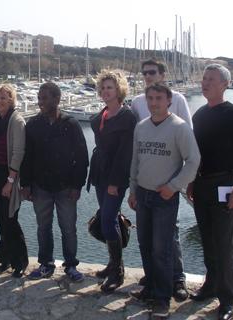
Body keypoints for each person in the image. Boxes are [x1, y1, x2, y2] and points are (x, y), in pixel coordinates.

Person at [127, 83, 200, 318]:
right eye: (150, 98)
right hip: (143, 194)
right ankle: (150, 287)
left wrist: (173, 187)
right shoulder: (141, 127)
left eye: (159, 98)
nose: (154, 103)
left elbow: (193, 161)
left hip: (164, 197)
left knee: (162, 249)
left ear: (169, 100)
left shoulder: (179, 127)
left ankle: (162, 298)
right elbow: (135, 162)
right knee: (145, 245)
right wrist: (133, 190)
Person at [187, 64, 233, 320]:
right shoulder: (200, 115)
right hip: (202, 185)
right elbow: (198, 155)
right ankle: (210, 285)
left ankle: (227, 300)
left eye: (211, 79)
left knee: (223, 245)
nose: (205, 83)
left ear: (224, 84)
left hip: (226, 184)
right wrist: (192, 181)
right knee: (208, 240)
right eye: (203, 78)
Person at [20, 82, 88, 282]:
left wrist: (77, 185)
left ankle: (71, 266)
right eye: (39, 98)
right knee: (43, 227)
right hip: (41, 187)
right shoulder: (32, 125)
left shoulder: (71, 124)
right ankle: (46, 264)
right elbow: (27, 157)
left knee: (68, 228)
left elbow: (82, 158)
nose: (40, 102)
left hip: (66, 188)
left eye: (44, 98)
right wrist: (26, 184)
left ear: (57, 99)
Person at [87, 71, 136, 292]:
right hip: (100, 174)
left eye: (110, 88)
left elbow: (125, 154)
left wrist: (116, 182)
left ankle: (118, 271)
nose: (106, 91)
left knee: (107, 220)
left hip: (115, 177)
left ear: (119, 90)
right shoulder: (101, 116)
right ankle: (113, 264)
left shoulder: (127, 117)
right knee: (110, 218)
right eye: (103, 88)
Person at [0, 84, 29, 278]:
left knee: (10, 219)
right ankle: (5, 258)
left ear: (11, 99)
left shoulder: (16, 121)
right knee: (0, 218)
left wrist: (10, 181)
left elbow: (18, 152)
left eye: (3, 98)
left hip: (9, 176)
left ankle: (20, 261)